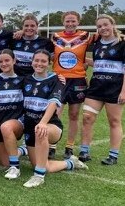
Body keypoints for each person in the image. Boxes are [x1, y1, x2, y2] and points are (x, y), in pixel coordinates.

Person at [21, 50, 87, 188]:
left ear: (49, 63)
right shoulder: (26, 79)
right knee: (44, 166)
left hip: (50, 125)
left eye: (43, 61)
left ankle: (38, 177)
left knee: (41, 131)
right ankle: (70, 163)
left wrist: (43, 122)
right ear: (32, 62)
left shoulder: (56, 79)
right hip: (30, 129)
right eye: (36, 60)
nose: (39, 63)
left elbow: (53, 103)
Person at [80, 14, 125, 165]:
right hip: (96, 88)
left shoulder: (122, 43)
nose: (103, 28)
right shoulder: (97, 44)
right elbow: (101, 63)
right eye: (99, 26)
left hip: (115, 89)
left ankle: (113, 156)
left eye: (106, 24)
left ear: (113, 25)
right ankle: (84, 152)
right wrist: (83, 61)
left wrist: (124, 91)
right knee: (87, 118)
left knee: (114, 121)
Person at [50, 11, 93, 159]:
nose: (70, 24)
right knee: (55, 113)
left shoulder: (86, 36)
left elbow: (107, 37)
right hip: (59, 79)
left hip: (78, 80)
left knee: (74, 115)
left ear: (78, 22)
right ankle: (52, 145)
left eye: (73, 21)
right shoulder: (55, 37)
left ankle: (69, 146)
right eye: (67, 21)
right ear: (63, 22)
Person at [0, 49, 25, 179]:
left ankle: (15, 167)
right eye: (0, 61)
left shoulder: (23, 80)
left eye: (7, 60)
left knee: (7, 127)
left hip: (16, 123)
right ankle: (21, 150)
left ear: (14, 60)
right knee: (4, 162)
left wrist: (58, 77)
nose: (4, 63)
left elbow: (42, 80)